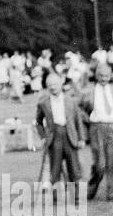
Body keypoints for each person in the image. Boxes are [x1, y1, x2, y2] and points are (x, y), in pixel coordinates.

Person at [80, 61, 113, 202]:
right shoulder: (89, 92)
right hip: (96, 127)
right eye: (101, 75)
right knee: (99, 163)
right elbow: (79, 109)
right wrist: (87, 119)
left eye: (106, 75)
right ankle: (91, 190)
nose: (103, 78)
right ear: (96, 75)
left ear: (111, 76)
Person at [34, 73, 84, 204]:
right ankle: (55, 198)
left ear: (61, 84)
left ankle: (76, 197)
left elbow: (78, 120)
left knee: (73, 167)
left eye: (55, 84)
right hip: (54, 136)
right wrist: (43, 136)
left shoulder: (70, 100)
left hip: (69, 136)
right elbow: (38, 122)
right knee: (54, 168)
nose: (52, 87)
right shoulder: (43, 102)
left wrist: (81, 138)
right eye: (49, 85)